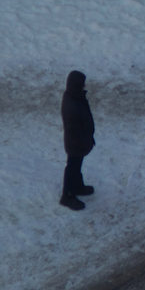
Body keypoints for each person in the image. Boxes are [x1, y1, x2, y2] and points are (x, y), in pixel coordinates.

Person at [60, 69, 95, 211]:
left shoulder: (75, 97)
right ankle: (67, 195)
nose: (84, 86)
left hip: (78, 142)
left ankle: (77, 186)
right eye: (82, 84)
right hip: (76, 142)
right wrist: (84, 140)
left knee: (76, 165)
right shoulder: (72, 104)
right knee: (72, 167)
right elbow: (76, 128)